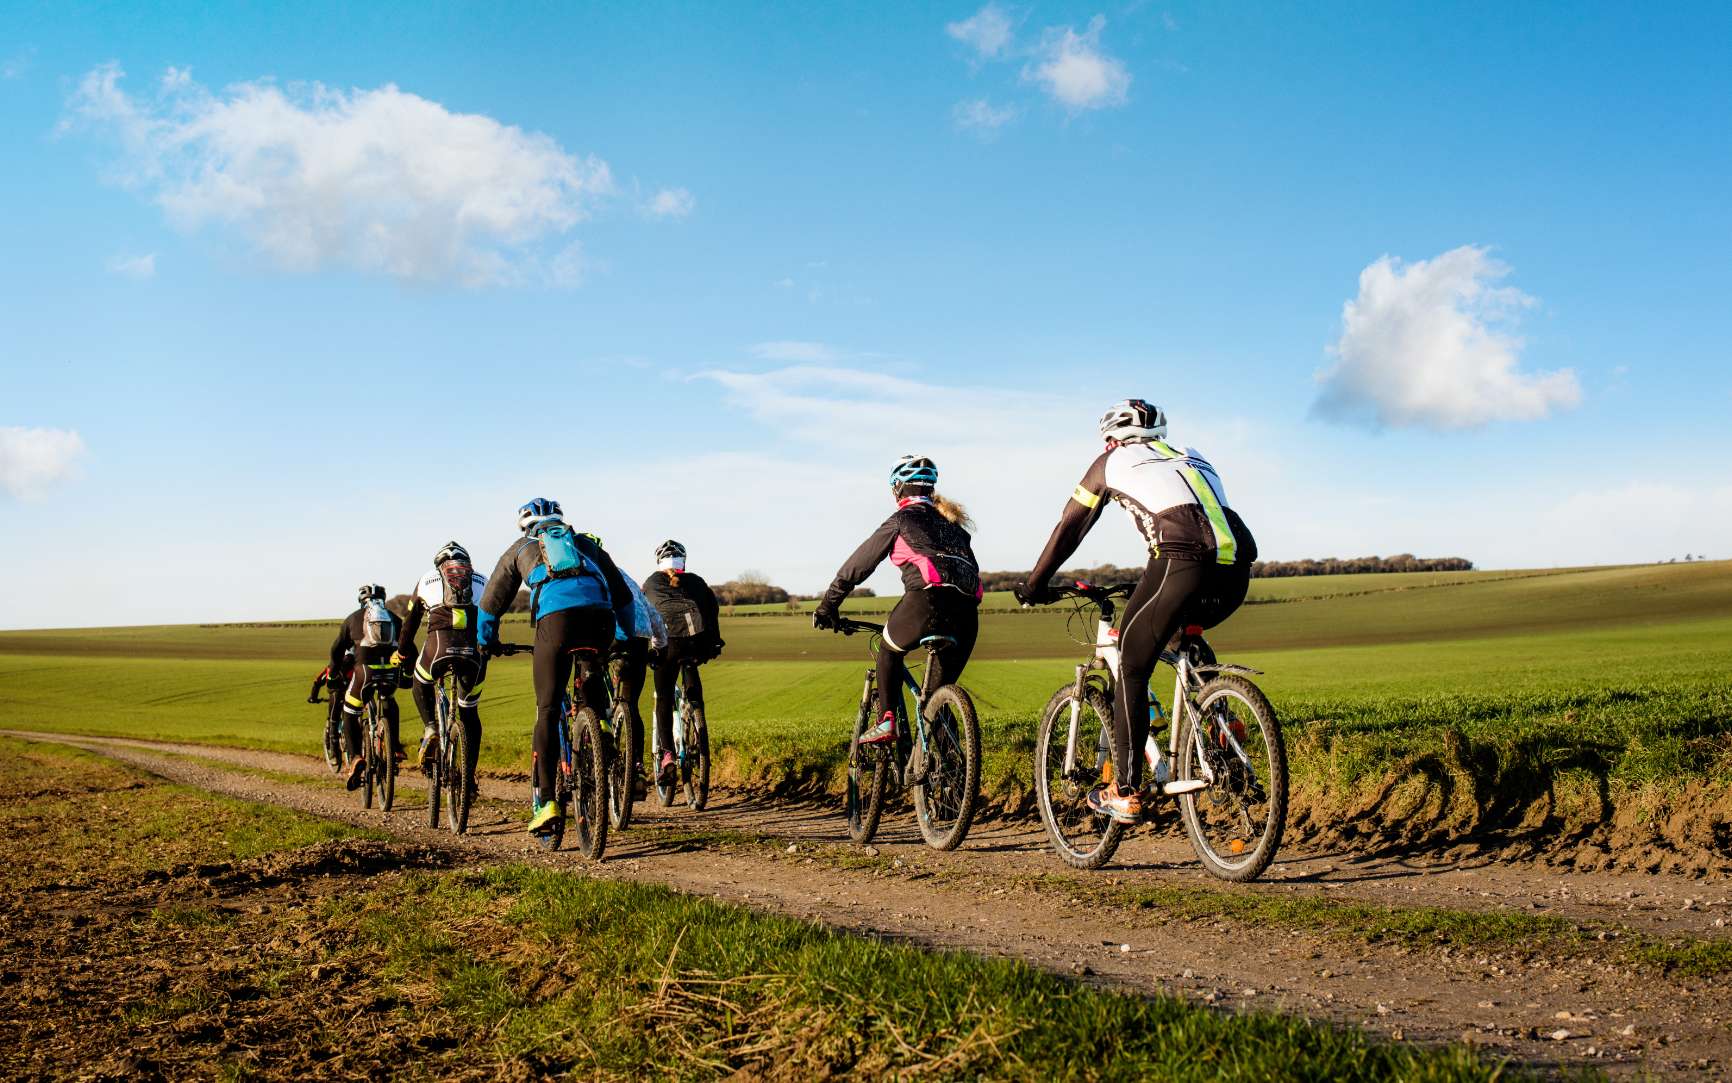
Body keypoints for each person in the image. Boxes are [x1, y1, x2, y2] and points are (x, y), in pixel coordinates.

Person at [1014, 399, 1258, 824]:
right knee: (1184, 635)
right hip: (1236, 569)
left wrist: (1034, 584)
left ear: (1112, 438)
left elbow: (1071, 525)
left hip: (1180, 561)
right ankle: (1221, 719)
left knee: (1131, 660)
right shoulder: (1192, 455)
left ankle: (1124, 789)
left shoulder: (1111, 461)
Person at [478, 498, 638, 835]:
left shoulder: (520, 548)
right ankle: (602, 727)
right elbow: (622, 595)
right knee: (591, 668)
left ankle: (547, 802)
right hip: (601, 620)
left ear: (526, 527)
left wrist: (487, 640)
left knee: (548, 710)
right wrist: (622, 637)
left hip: (557, 622)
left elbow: (492, 600)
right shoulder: (584, 544)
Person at [812, 457, 981, 746]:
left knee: (887, 651)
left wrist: (829, 605)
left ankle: (886, 719)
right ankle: (947, 772)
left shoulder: (901, 520)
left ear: (898, 488)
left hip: (926, 602)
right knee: (935, 700)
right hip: (967, 617)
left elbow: (858, 566)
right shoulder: (955, 528)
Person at [395, 541, 488, 780]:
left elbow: (409, 624)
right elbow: (493, 616)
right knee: (470, 712)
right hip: (474, 653)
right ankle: (468, 777)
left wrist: (403, 653)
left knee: (420, 679)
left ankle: (431, 729)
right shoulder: (482, 580)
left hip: (438, 647)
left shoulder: (427, 578)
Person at [641, 540, 723, 784]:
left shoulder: (650, 583)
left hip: (668, 645)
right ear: (683, 562)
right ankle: (696, 711)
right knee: (690, 669)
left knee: (664, 696)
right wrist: (714, 642)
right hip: (698, 642)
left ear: (659, 562)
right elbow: (712, 610)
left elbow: (642, 618)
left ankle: (667, 757)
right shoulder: (697, 581)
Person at [329, 584, 404, 789]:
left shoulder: (353, 618)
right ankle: (395, 747)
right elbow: (409, 647)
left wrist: (334, 673)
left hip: (364, 672)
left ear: (361, 600)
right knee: (388, 699)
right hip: (391, 671)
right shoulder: (393, 619)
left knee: (350, 711)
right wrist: (406, 673)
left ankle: (355, 758)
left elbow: (337, 650)